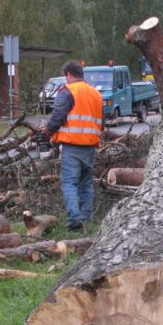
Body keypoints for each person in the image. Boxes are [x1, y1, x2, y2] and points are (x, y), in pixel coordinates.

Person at [46, 60, 105, 230]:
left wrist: (47, 132)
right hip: (90, 145)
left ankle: (74, 219)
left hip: (72, 145)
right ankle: (86, 218)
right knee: (86, 183)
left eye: (66, 77)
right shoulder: (96, 93)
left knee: (69, 183)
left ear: (69, 75)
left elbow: (58, 114)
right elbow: (102, 123)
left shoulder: (68, 91)